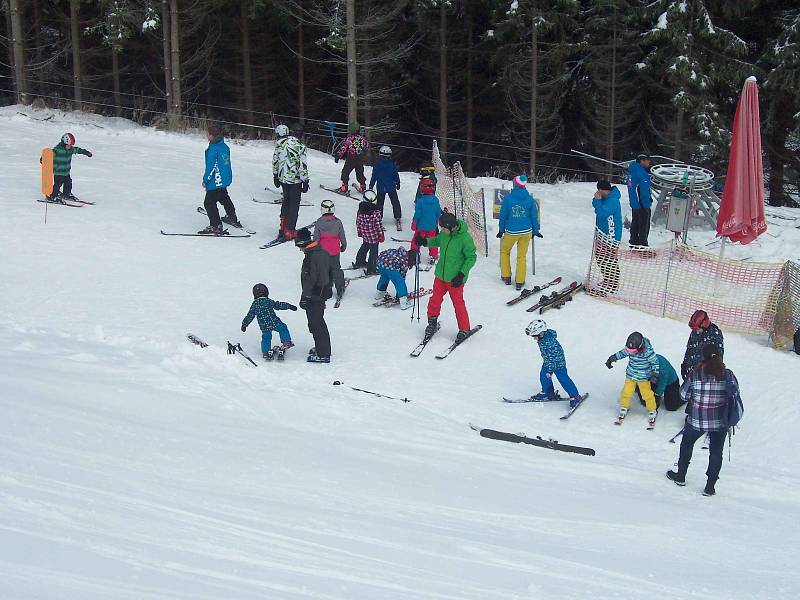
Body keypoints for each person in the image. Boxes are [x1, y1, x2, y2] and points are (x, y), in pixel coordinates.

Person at [667, 344, 741, 496]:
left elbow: (683, 395)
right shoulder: (728, 374)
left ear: (703, 358)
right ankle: (710, 487)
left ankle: (680, 476)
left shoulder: (695, 374)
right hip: (721, 422)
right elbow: (735, 393)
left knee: (687, 444)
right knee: (716, 452)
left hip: (697, 420)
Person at [414, 212, 477, 342]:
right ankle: (432, 322)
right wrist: (424, 241)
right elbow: (436, 240)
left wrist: (461, 274)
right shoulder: (444, 234)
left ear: (451, 227)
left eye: (443, 227)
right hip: (441, 276)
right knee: (434, 300)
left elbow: (471, 257)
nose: (441, 230)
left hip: (455, 279)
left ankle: (464, 328)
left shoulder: (465, 238)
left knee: (458, 304)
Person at [605, 331, 660, 426]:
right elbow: (622, 353)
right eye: (629, 351)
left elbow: (655, 363)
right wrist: (612, 358)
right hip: (630, 375)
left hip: (643, 377)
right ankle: (624, 406)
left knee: (647, 395)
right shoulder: (630, 348)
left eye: (633, 352)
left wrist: (655, 374)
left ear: (640, 347)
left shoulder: (648, 352)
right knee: (626, 392)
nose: (631, 353)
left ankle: (652, 410)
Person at [295, 227, 333, 363]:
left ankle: (323, 354)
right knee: (316, 323)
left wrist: (306, 296)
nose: (299, 250)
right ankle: (321, 348)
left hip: (315, 295)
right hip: (318, 294)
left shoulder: (313, 255)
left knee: (316, 324)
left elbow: (312, 279)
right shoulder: (318, 252)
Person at [525, 320, 583, 407]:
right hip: (548, 362)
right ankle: (548, 393)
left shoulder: (549, 343)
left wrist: (549, 370)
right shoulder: (543, 337)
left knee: (564, 380)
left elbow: (554, 358)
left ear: (541, 333)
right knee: (543, 377)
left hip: (558, 363)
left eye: (534, 336)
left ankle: (575, 396)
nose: (534, 338)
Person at [498, 174, 541, 290]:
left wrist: (501, 230)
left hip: (511, 232)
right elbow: (534, 216)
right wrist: (536, 231)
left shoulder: (508, 199)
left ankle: (506, 276)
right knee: (521, 256)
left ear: (514, 185)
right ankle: (520, 281)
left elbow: (503, 216)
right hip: (526, 232)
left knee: (504, 251)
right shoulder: (530, 199)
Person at [199, 124, 239, 235]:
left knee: (209, 203)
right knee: (223, 197)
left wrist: (206, 180)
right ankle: (232, 216)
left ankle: (216, 225)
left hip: (216, 180)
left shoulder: (213, 150)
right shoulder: (224, 146)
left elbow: (212, 167)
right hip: (224, 178)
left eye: (208, 134)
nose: (206, 136)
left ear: (212, 136)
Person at [272, 123, 309, 241]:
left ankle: (282, 227)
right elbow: (302, 165)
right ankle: (289, 230)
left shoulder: (280, 144)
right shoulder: (300, 146)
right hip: (295, 180)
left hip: (283, 178)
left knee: (286, 202)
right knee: (293, 205)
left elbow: (275, 161)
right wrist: (305, 180)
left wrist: (275, 175)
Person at [241, 283, 297, 359]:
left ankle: (266, 351)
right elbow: (278, 305)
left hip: (264, 325)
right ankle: (286, 342)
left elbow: (250, 315)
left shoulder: (254, 304)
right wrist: (289, 306)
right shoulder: (267, 301)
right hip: (274, 322)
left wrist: (244, 324)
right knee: (283, 328)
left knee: (266, 337)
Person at [592, 180, 623, 294]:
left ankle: (613, 282)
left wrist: (598, 202)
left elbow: (602, 213)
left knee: (609, 259)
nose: (598, 192)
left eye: (600, 190)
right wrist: (597, 200)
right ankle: (607, 279)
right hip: (602, 233)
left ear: (605, 190)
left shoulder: (613, 201)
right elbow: (595, 204)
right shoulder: (604, 198)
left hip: (611, 235)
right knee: (600, 256)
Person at [313, 199, 347, 300]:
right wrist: (343, 245)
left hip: (323, 251)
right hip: (335, 250)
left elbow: (316, 238)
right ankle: (340, 288)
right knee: (336, 269)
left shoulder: (319, 222)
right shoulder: (337, 222)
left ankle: (326, 288)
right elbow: (342, 236)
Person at [47, 132, 93, 201]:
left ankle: (67, 194)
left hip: (66, 172)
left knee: (68, 183)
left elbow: (78, 150)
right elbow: (49, 155)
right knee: (58, 184)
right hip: (58, 172)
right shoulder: (57, 150)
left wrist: (86, 153)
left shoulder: (71, 149)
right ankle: (53, 196)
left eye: (71, 145)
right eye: (68, 145)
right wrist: (44, 159)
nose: (70, 147)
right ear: (63, 143)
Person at [681, 309, 724, 381]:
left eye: (697, 329)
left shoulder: (715, 335)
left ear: (704, 324)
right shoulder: (695, 332)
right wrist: (685, 365)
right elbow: (690, 348)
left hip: (705, 376)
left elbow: (718, 359)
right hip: (692, 372)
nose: (695, 331)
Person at [369, 145, 402, 230]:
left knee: (380, 204)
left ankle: (379, 219)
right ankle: (398, 217)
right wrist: (398, 183)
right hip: (391, 187)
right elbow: (395, 175)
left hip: (381, 187)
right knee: (395, 202)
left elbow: (374, 176)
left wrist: (371, 185)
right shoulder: (392, 164)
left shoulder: (377, 164)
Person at [411, 177, 442, 265]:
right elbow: (438, 212)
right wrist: (436, 222)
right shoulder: (435, 200)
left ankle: (415, 255)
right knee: (432, 241)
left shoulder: (420, 201)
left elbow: (418, 214)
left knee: (416, 241)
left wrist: (414, 223)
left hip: (421, 227)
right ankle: (434, 255)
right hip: (432, 226)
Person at [353, 190, 384, 274]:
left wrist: (359, 231)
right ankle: (372, 268)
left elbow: (358, 222)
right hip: (374, 236)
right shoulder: (376, 213)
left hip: (365, 234)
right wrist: (381, 235)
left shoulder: (360, 211)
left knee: (364, 247)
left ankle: (359, 261)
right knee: (373, 252)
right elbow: (378, 225)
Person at [626, 153, 652, 246]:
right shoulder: (641, 173)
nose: (649, 162)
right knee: (643, 225)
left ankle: (634, 241)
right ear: (642, 161)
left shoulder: (631, 171)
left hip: (635, 202)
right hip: (642, 203)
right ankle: (643, 246)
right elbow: (644, 190)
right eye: (647, 160)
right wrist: (647, 203)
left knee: (635, 223)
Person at [336, 123, 369, 193]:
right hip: (359, 158)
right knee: (360, 172)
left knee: (345, 172)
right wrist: (362, 150)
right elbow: (366, 147)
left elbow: (344, 147)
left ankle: (344, 187)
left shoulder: (349, 138)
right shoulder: (362, 139)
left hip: (351, 158)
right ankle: (363, 185)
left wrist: (338, 155)